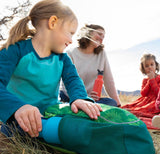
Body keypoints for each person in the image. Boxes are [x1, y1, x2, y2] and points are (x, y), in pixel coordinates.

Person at [0, 0, 102, 140]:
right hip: (19, 118)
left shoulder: (63, 59)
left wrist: (79, 98)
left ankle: (60, 131)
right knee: (21, 130)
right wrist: (19, 107)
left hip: (51, 112)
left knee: (96, 109)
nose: (72, 40)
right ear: (53, 22)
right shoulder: (15, 50)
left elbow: (73, 80)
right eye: (70, 33)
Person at [60, 24, 121, 107]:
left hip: (91, 99)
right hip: (70, 96)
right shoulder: (70, 53)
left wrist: (118, 104)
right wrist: (82, 98)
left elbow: (109, 81)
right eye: (99, 34)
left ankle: (83, 109)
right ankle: (79, 107)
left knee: (111, 103)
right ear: (88, 33)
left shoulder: (101, 54)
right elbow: (67, 81)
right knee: (61, 97)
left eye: (103, 36)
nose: (101, 38)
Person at [121, 53, 160, 119]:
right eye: (147, 66)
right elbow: (143, 94)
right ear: (143, 69)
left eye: (152, 64)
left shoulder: (159, 78)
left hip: (156, 101)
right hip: (145, 100)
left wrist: (152, 80)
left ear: (156, 65)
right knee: (134, 106)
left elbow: (158, 93)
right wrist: (149, 81)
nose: (149, 67)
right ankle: (130, 111)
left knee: (152, 107)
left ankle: (134, 112)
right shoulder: (145, 80)